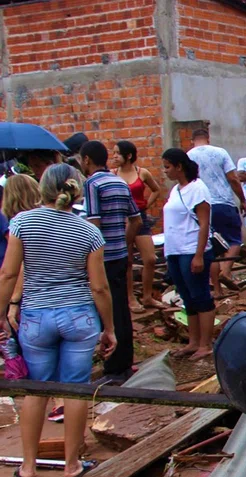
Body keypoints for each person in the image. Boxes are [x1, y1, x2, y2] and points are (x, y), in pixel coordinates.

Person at [0, 163, 116, 477]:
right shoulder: (89, 232)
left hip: (36, 316)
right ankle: (71, 464)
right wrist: (109, 328)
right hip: (78, 315)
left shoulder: (21, 223)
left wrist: (1, 313)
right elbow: (99, 287)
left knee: (37, 389)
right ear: (76, 190)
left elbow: (9, 274)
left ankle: (27, 466)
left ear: (43, 189)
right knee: (75, 390)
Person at [80, 140, 140, 384]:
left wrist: (87, 255)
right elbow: (135, 220)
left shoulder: (92, 184)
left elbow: (93, 223)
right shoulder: (119, 181)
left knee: (107, 309)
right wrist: (123, 243)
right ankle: (125, 361)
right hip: (119, 255)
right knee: (121, 306)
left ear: (86, 160)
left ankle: (113, 368)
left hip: (101, 256)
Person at [161, 148, 216, 361]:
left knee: (200, 296)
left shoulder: (198, 189)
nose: (165, 171)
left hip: (191, 250)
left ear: (179, 166)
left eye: (167, 167)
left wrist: (199, 255)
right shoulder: (176, 190)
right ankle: (193, 342)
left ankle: (205, 343)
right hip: (175, 250)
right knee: (187, 298)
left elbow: (204, 224)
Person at [187, 128, 246, 295]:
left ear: (192, 140)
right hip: (223, 203)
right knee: (235, 240)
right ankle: (226, 272)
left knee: (212, 248)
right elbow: (233, 178)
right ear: (208, 138)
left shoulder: (187, 156)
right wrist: (242, 199)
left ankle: (218, 291)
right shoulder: (220, 152)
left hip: (200, 206)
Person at [114, 141, 164, 312]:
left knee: (149, 258)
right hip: (122, 220)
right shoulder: (113, 174)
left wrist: (145, 205)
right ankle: (130, 298)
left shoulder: (142, 172)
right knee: (127, 261)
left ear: (128, 155)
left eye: (117, 153)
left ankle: (147, 296)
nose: (114, 157)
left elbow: (156, 190)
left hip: (140, 219)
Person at [1, 174, 40, 330]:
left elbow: (16, 266)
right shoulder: (43, 221)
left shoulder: (13, 225)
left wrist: (13, 302)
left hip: (17, 294)